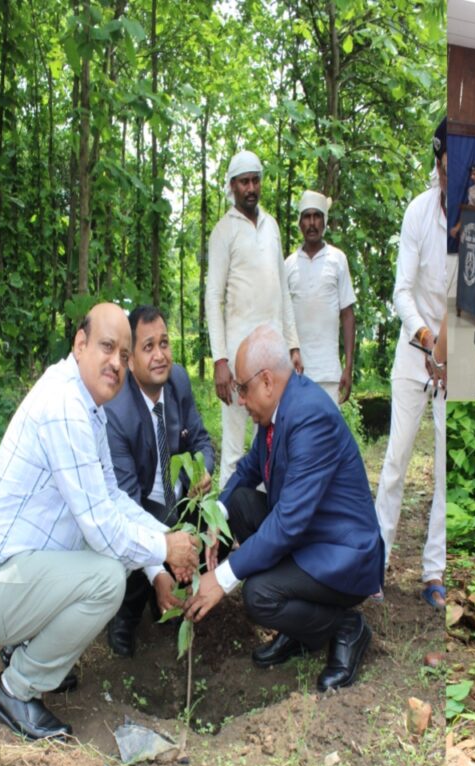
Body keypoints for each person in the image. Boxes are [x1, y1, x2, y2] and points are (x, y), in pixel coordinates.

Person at [0, 303, 198, 741]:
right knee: (107, 576)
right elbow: (103, 527)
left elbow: (112, 500)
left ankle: (25, 650)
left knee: (119, 555)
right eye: (108, 347)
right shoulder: (64, 406)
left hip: (15, 571)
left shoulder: (88, 407)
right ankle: (17, 687)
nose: (117, 363)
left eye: (124, 355)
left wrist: (160, 551)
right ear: (80, 344)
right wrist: (165, 551)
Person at [182, 323, 383, 692]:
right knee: (240, 502)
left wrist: (223, 578)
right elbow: (248, 470)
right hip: (311, 535)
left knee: (258, 594)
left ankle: (345, 629)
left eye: (242, 388)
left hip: (342, 552)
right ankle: (301, 628)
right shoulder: (278, 409)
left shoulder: (310, 417)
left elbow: (289, 523)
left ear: (267, 382)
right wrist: (217, 521)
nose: (240, 399)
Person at [104, 305, 215, 657]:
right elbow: (125, 509)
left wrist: (203, 470)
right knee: (139, 544)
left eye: (164, 343)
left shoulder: (179, 381)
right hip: (140, 507)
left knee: (217, 531)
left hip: (180, 501)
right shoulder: (117, 412)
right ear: (131, 359)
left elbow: (200, 440)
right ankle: (125, 615)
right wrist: (157, 570)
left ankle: (172, 601)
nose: (159, 355)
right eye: (148, 346)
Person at [374, 117, 447, 609]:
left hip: (454, 357)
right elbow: (401, 290)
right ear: (438, 160)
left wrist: (451, 349)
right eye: (446, 160)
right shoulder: (418, 212)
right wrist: (427, 338)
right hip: (414, 348)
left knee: (446, 467)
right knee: (396, 461)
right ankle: (374, 566)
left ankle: (433, 573)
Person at [206, 150, 301, 488]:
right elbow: (213, 298)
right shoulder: (223, 232)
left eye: (255, 180)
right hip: (237, 359)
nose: (251, 187)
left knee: (274, 442)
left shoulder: (272, 226)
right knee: (234, 449)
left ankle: (266, 526)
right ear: (232, 186)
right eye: (244, 181)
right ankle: (224, 532)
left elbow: (283, 290)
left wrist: (292, 345)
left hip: (273, 358)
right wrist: (220, 358)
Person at [284, 190, 357, 405]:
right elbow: (282, 318)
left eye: (317, 216)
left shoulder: (338, 259)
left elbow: (347, 314)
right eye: (307, 216)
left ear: (324, 222)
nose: (312, 222)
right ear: (300, 223)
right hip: (296, 373)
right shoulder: (288, 265)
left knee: (328, 435)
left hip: (329, 373)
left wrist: (348, 367)